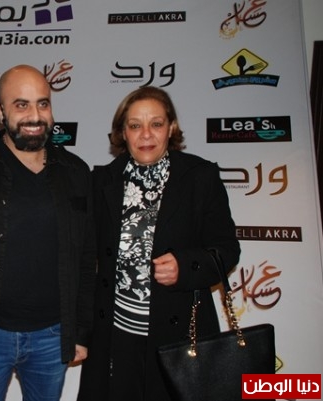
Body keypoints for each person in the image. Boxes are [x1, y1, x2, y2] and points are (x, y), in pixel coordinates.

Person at [0, 64, 96, 401]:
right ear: (0, 112)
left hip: (52, 337)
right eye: (21, 105)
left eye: (43, 103)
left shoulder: (76, 173)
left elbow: (86, 259)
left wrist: (80, 332)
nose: (34, 116)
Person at [77, 86, 241, 401]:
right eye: (135, 125)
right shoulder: (102, 181)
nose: (146, 134)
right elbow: (84, 259)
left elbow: (227, 249)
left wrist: (186, 266)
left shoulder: (200, 177)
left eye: (156, 123)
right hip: (116, 337)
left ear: (171, 127)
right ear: (122, 133)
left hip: (178, 338)